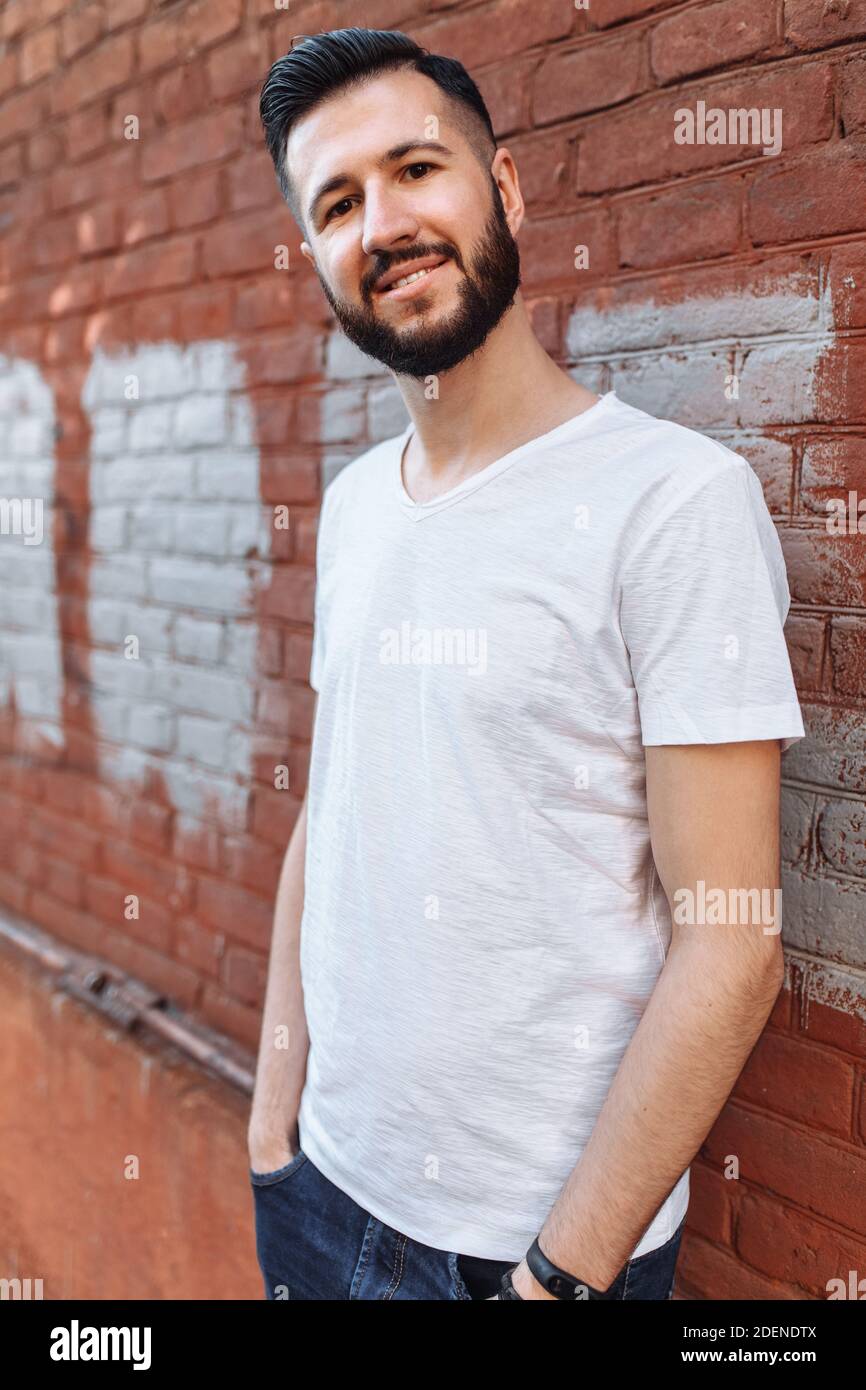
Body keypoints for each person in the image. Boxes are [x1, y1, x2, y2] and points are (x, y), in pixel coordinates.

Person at [247, 27, 805, 1301]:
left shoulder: (669, 503)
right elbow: (327, 810)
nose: (382, 223)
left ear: (502, 190)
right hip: (318, 1191)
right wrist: (273, 1115)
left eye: (415, 170)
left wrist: (559, 1275)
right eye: (336, 202)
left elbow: (731, 944)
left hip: (522, 1252)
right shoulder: (352, 509)